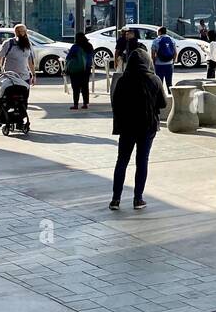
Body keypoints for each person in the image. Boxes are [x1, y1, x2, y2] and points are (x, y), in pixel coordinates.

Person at [109, 49, 167, 211]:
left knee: (122, 161)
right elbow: (163, 104)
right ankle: (138, 199)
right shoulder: (154, 80)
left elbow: (116, 102)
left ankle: (115, 199)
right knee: (142, 161)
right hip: (147, 126)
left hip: (127, 126)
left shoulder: (122, 80)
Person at [66, 31, 95, 110]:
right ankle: (85, 103)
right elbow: (91, 56)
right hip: (86, 69)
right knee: (85, 86)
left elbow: (68, 57)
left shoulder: (75, 47)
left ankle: (76, 104)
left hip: (75, 70)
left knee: (76, 87)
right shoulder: (89, 46)